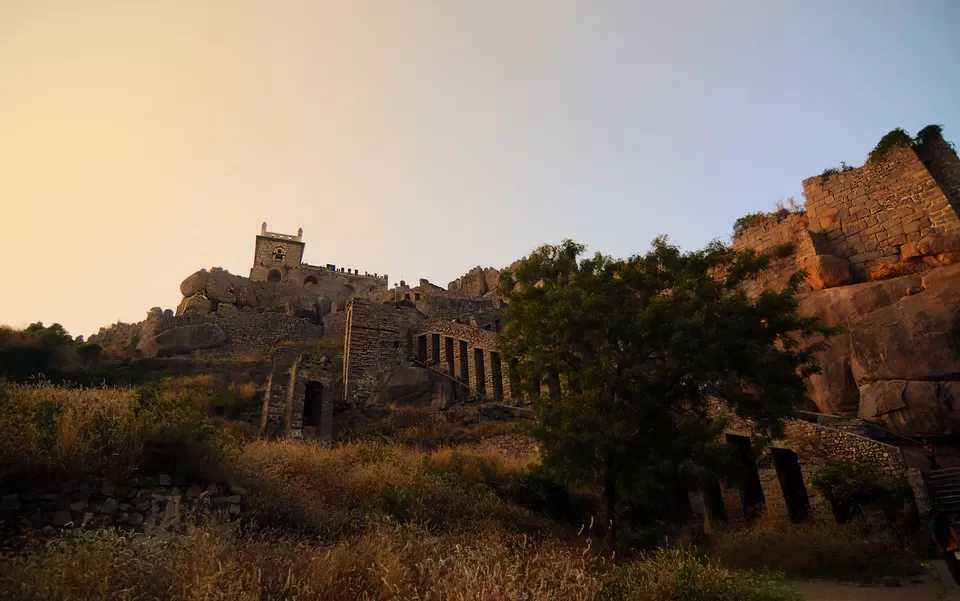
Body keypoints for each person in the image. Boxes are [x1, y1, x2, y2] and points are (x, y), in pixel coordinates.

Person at [929, 510, 960, 586]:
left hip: (946, 548)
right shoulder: (949, 528)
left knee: (951, 565)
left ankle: (954, 581)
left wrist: (940, 547)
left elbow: (934, 537)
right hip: (954, 548)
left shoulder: (937, 528)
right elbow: (956, 539)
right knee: (956, 566)